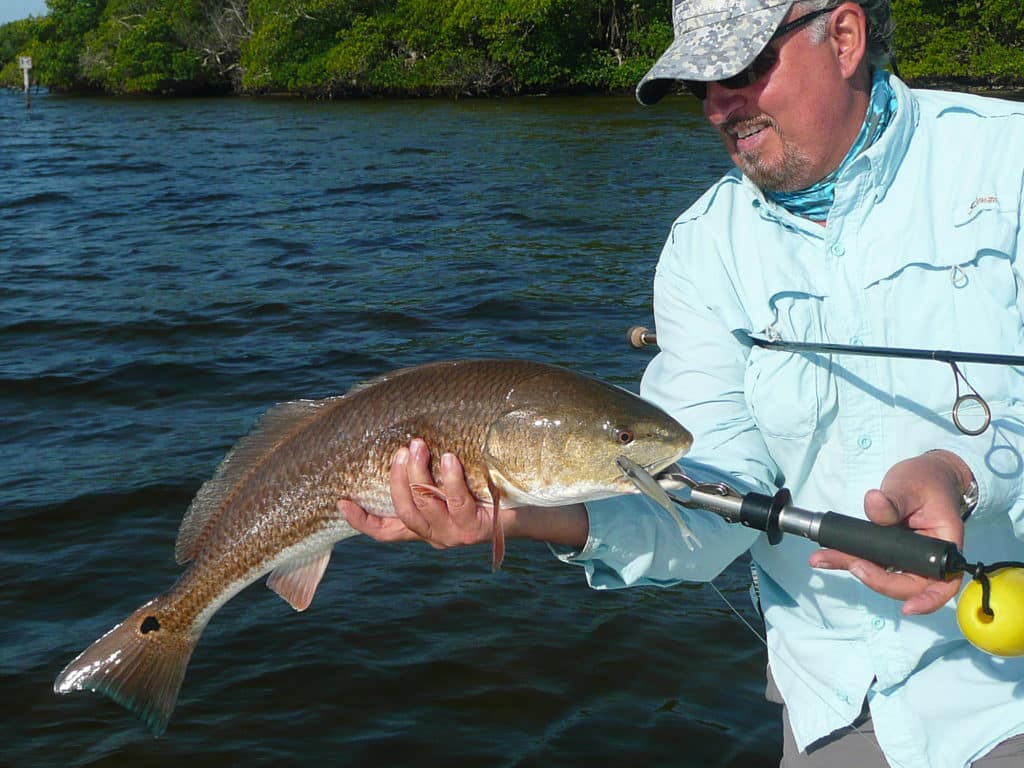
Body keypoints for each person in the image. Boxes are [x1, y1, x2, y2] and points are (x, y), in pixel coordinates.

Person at [339, 1, 1024, 766]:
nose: (719, 107)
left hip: (1004, 686)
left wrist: (965, 476)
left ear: (843, 36)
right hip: (836, 699)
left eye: (738, 70)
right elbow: (703, 503)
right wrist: (520, 518)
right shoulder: (703, 251)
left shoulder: (1008, 161)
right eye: (700, 83)